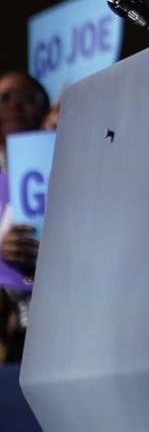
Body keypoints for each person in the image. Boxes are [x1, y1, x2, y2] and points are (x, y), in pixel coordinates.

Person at [0, 71, 51, 364]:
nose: (14, 106)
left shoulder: (72, 159)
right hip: (21, 335)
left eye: (27, 98)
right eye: (4, 98)